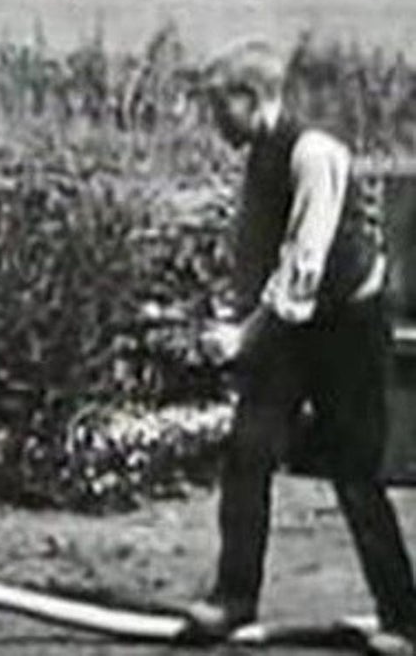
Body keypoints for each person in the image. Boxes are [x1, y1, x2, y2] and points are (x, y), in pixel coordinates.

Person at [187, 37, 416, 656]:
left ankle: (404, 615)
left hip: (346, 326)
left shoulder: (314, 153)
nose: (213, 122)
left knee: (355, 471)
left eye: (218, 107)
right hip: (292, 329)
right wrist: (234, 327)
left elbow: (302, 264)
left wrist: (246, 334)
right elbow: (254, 254)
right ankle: (233, 599)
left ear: (249, 97)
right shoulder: (259, 157)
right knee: (248, 451)